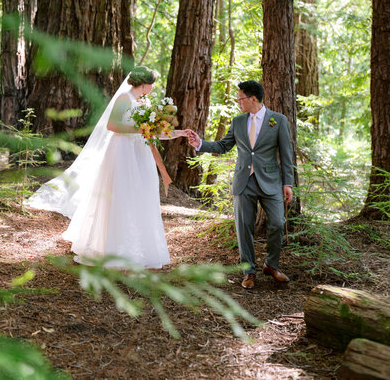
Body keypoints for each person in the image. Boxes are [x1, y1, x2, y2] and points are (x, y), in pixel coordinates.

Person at [27, 66, 187, 268]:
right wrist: (141, 128)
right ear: (145, 84)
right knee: (121, 197)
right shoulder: (124, 99)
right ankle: (113, 249)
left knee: (141, 197)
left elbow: (152, 131)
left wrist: (178, 133)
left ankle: (139, 249)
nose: (154, 86)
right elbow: (112, 125)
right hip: (123, 152)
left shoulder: (143, 101)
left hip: (140, 154)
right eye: (153, 82)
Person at [187, 80, 294, 289]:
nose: (238, 102)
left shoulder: (278, 120)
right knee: (243, 228)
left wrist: (287, 183)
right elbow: (223, 145)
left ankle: (271, 265)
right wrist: (200, 143)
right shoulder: (238, 121)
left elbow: (286, 153)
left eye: (240, 98)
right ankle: (249, 272)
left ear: (252, 98)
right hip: (244, 182)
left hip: (271, 182)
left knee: (278, 223)